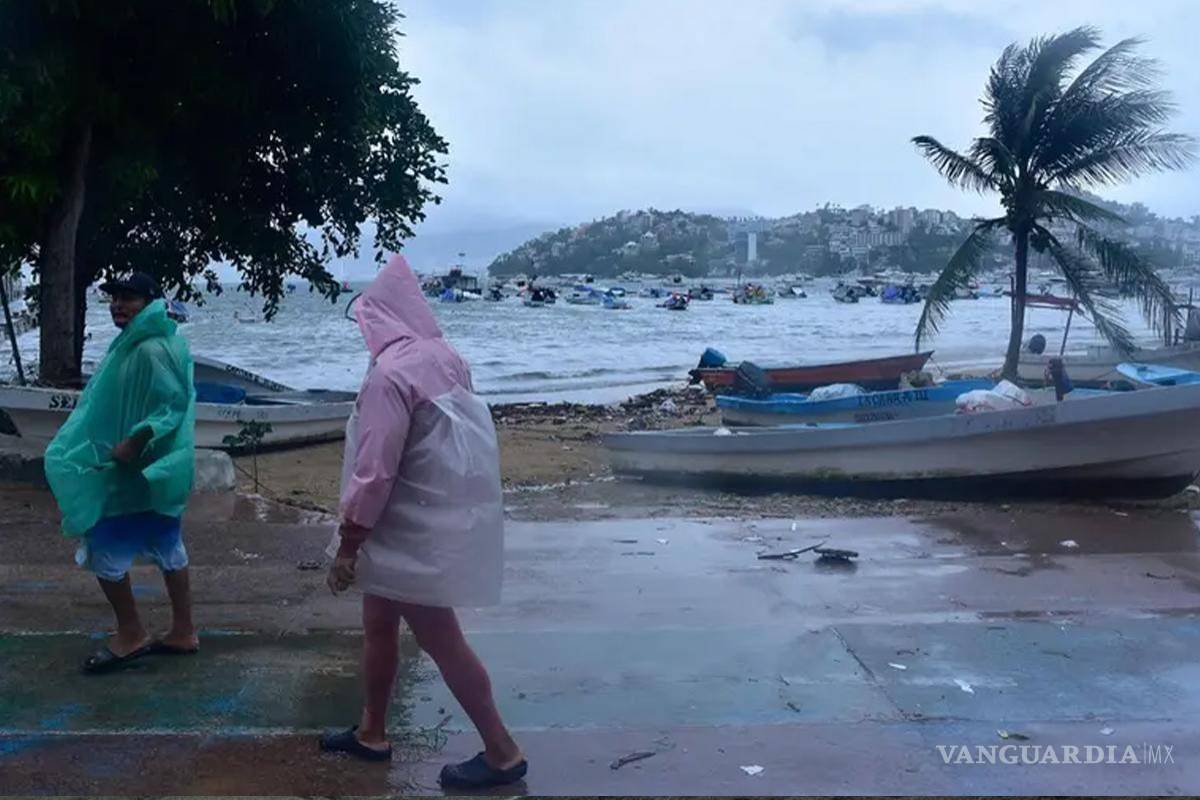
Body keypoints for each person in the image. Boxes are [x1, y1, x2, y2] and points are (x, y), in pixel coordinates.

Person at [320, 254, 526, 790]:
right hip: (426, 518)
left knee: (441, 638)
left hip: (400, 527)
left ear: (378, 318)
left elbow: (375, 469)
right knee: (378, 626)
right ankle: (371, 732)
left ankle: (502, 751)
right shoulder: (446, 356)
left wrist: (348, 544)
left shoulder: (390, 374)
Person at [44, 272, 198, 674]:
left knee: (105, 547)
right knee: (167, 544)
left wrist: (133, 442)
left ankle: (132, 632)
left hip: (136, 469)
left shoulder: (151, 348)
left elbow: (172, 404)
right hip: (151, 472)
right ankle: (183, 630)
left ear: (151, 302)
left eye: (129, 298)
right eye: (114, 297)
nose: (118, 304)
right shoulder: (141, 344)